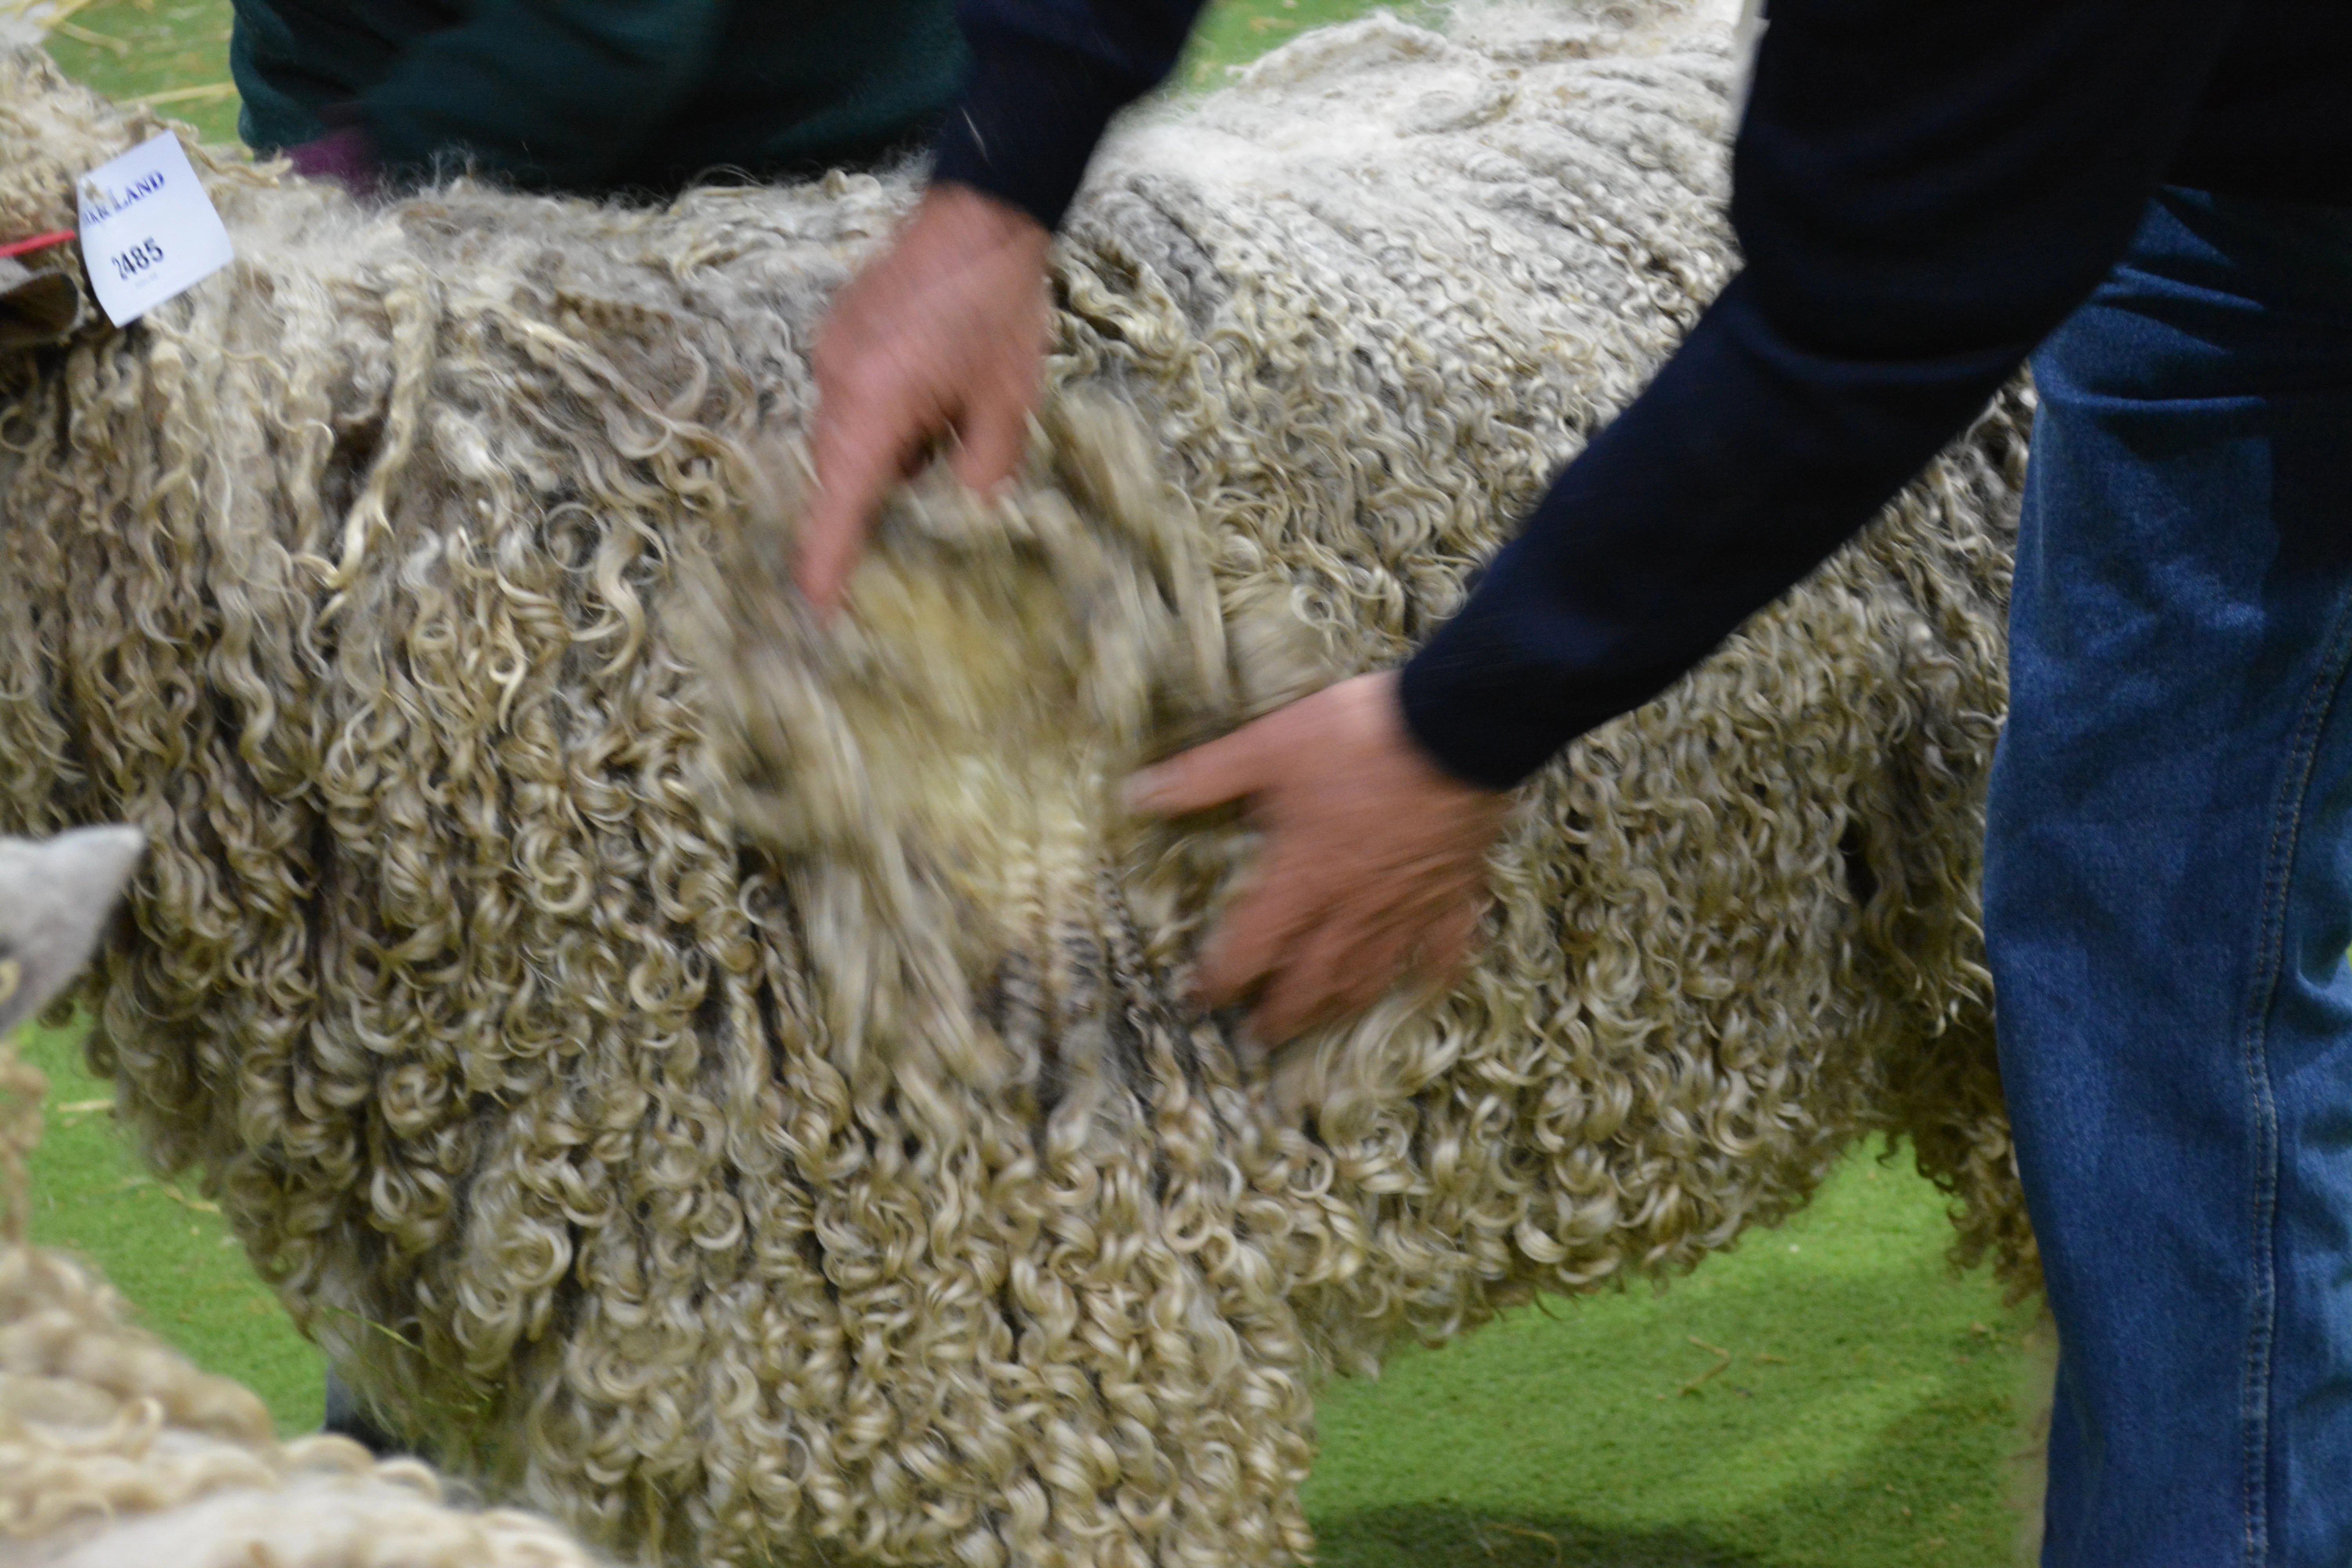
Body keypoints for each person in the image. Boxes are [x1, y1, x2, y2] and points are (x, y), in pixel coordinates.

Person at [802, 0, 2352, 1561]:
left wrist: (1460, 724)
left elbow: (1881, 302)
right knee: (2153, 931)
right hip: (2207, 168)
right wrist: (1000, 184)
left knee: (2185, 922)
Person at [227, 0, 969, 195]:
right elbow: (298, 36)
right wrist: (278, 197)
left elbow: (609, 35)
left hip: (829, 175)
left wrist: (360, 164)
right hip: (464, 167)